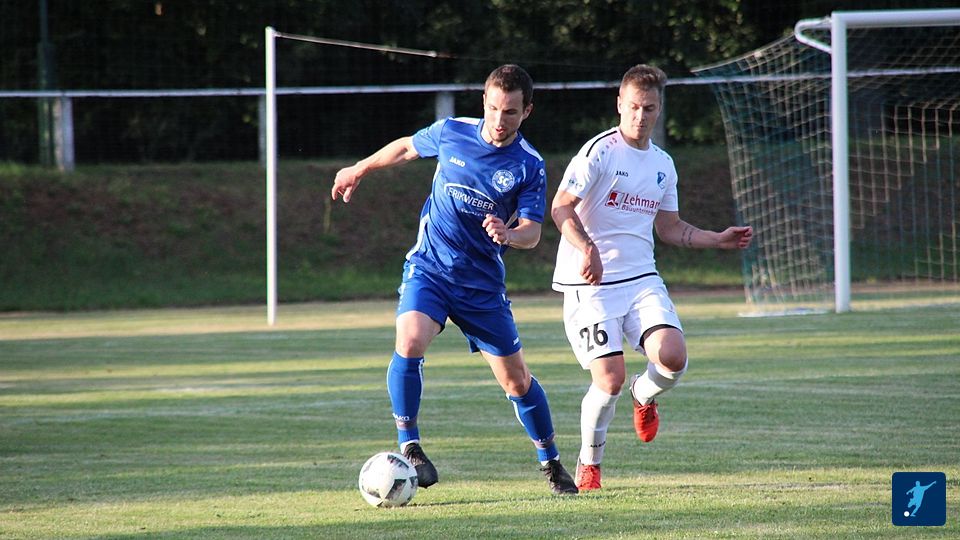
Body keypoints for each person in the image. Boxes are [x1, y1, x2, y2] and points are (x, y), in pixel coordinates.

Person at [332, 64, 578, 495]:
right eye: (494, 108)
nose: (500, 120)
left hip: (481, 286)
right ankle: (410, 445)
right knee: (410, 340)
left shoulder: (529, 165)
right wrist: (360, 168)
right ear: (484, 102)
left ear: (527, 111)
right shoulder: (452, 132)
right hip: (430, 267)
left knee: (516, 381)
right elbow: (406, 148)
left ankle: (550, 461)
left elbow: (532, 232)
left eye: (511, 112)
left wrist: (509, 234)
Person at [550, 64, 753, 491]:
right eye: (634, 107)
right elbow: (561, 207)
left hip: (641, 278)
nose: (640, 116)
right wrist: (587, 248)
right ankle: (590, 464)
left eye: (649, 108)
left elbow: (670, 228)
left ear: (659, 110)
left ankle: (644, 394)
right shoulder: (599, 152)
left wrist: (717, 239)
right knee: (609, 380)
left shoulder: (662, 164)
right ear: (619, 105)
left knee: (673, 356)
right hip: (591, 283)